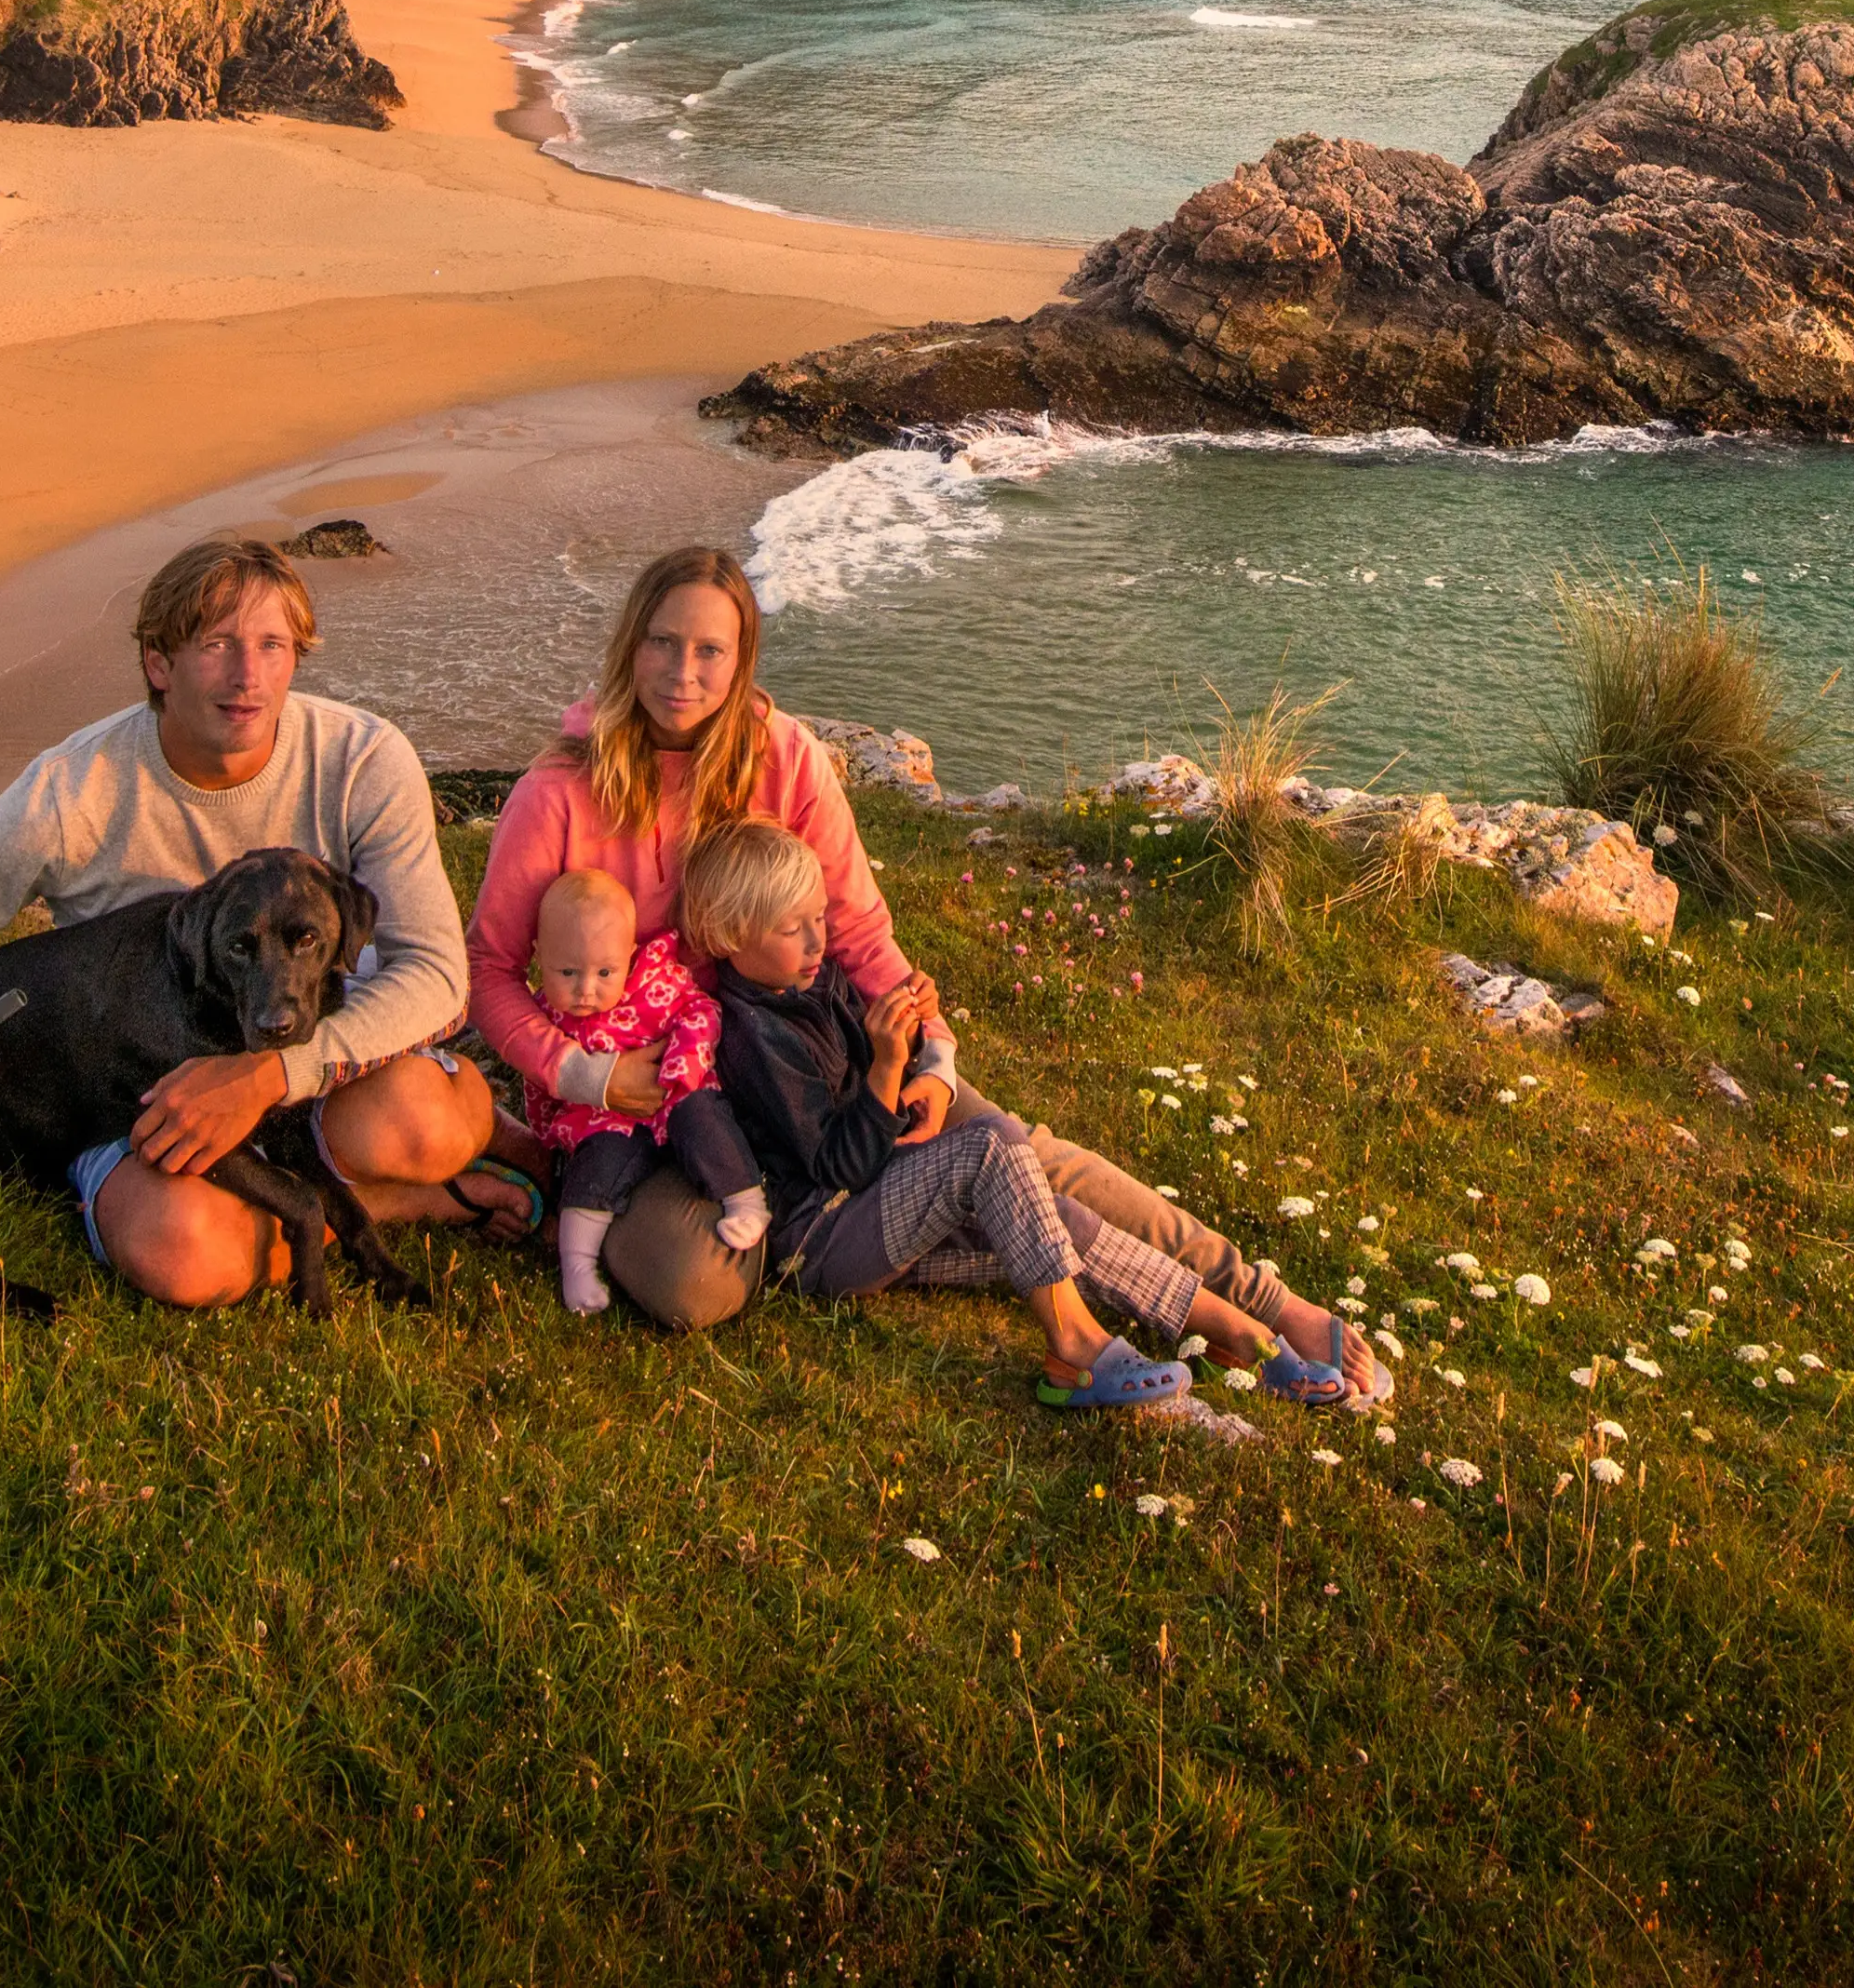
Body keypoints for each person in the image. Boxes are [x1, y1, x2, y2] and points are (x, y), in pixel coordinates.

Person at [464, 545, 1373, 1391]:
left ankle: (1256, 1301)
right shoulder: (559, 793)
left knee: (1011, 1148)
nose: (681, 671)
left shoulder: (784, 761)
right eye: (661, 642)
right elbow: (490, 969)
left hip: (808, 1048)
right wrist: (583, 1071)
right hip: (662, 1104)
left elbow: (857, 932)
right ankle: (900, 1226)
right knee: (693, 1288)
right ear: (630, 644)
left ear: (741, 663)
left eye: (709, 649)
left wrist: (931, 1058)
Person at [0, 537, 533, 1308]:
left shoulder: (362, 759)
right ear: (159, 664)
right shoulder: (70, 793)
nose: (248, 676)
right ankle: (401, 1200)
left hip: (317, 1054)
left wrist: (267, 1076)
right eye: (217, 645)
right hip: (143, 1091)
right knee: (185, 1255)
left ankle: (455, 1149)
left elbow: (436, 975)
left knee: (430, 1124)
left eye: (272, 645)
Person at [684, 823, 1370, 1406]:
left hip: (880, 1203)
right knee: (988, 1144)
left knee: (1055, 1219)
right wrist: (888, 1066)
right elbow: (840, 1165)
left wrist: (907, 1028)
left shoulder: (814, 979)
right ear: (727, 935)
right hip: (825, 1239)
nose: (815, 942)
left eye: (818, 920)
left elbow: (871, 1088)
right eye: (791, 929)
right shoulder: (751, 1038)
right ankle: (1075, 1346)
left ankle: (1244, 1334)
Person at [516, 868, 765, 1313]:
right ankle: (577, 1265)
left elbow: (700, 1009)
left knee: (706, 1121)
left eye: (605, 972)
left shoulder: (654, 984)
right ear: (539, 956)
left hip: (675, 1091)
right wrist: (550, 1129)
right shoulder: (546, 1016)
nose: (585, 990)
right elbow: (539, 1081)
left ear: (629, 956)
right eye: (567, 971)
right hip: (605, 1118)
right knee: (595, 1169)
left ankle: (745, 1199)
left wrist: (684, 1063)